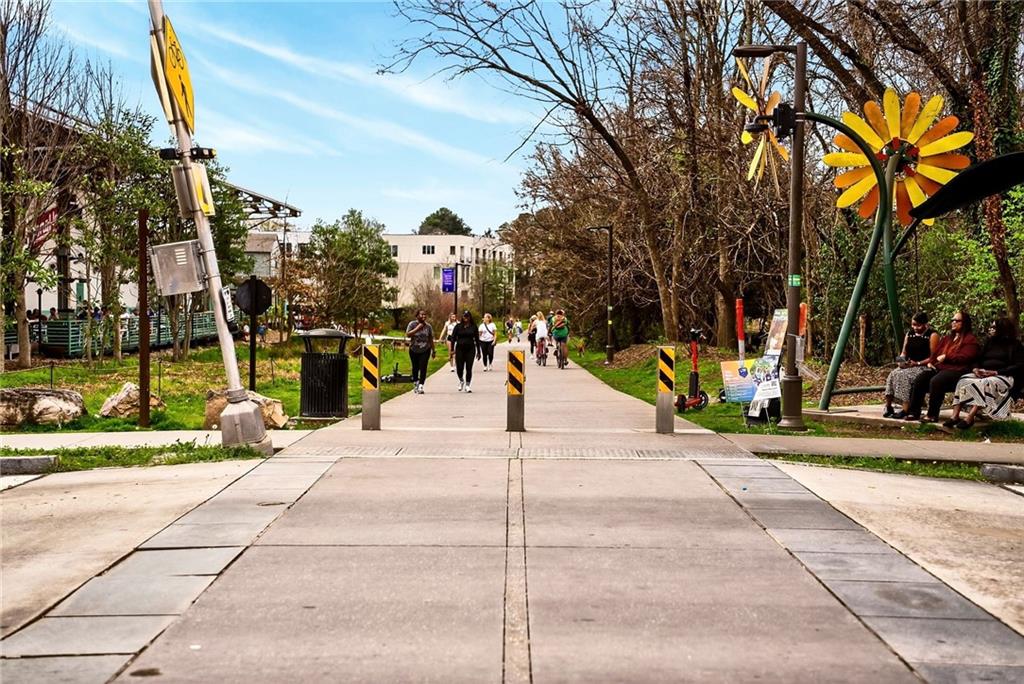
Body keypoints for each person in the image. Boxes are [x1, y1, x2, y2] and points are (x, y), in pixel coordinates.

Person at [944, 317, 1024, 429]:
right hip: (984, 372)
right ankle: (955, 415)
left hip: (1003, 376)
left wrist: (996, 372)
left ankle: (970, 417)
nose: (990, 329)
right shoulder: (989, 342)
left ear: (1002, 329)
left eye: (994, 327)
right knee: (964, 379)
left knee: (986, 383)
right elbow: (977, 358)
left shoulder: (1015, 345)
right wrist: (976, 369)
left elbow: (1018, 366)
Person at [906, 310, 980, 422]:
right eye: (952, 320)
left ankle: (932, 415)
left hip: (959, 371)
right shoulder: (947, 338)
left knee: (937, 381)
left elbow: (966, 357)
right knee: (921, 379)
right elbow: (936, 354)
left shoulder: (970, 340)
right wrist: (932, 361)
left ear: (964, 323)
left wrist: (947, 357)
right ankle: (913, 412)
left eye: (957, 320)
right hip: (942, 368)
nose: (953, 322)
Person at [883, 312, 939, 418]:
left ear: (926, 324)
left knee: (904, 376)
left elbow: (933, 357)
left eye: (918, 325)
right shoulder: (909, 334)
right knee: (892, 374)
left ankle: (906, 408)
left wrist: (917, 363)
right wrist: (900, 361)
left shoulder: (932, 335)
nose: (915, 327)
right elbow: (903, 352)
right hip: (910, 364)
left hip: (923, 366)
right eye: (913, 325)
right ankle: (888, 405)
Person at [405, 309, 436, 394]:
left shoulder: (428, 326)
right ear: (417, 316)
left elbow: (430, 339)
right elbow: (408, 334)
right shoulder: (412, 324)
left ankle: (421, 385)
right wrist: (417, 328)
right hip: (414, 349)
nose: (424, 316)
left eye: (425, 314)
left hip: (425, 349)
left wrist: (433, 350)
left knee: (423, 367)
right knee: (415, 367)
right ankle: (415, 383)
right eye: (422, 314)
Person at [451, 310, 479, 392]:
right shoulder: (458, 326)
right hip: (460, 349)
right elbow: (453, 338)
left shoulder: (473, 326)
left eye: (467, 316)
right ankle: (461, 380)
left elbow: (477, 339)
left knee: (469, 367)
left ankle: (467, 384)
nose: (466, 318)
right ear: (462, 317)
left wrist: (478, 352)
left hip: (470, 349)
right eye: (464, 316)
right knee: (460, 368)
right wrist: (452, 349)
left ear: (470, 317)